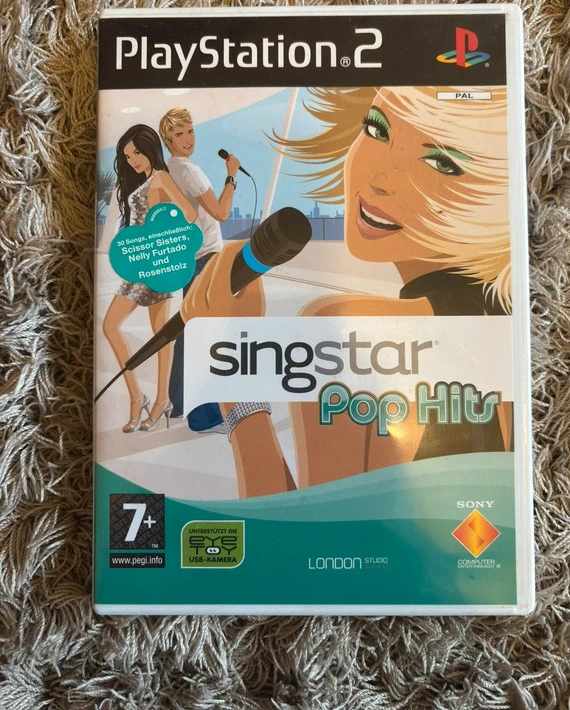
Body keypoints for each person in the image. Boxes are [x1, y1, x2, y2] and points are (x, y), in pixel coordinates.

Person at [180, 85, 513, 496]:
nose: (379, 179)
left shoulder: (347, 330)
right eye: (377, 129)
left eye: (441, 162)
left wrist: (231, 366)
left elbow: (305, 536)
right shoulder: (501, 323)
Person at [102, 124, 198, 433]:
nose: (132, 160)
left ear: (150, 149)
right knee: (128, 329)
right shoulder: (143, 181)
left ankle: (157, 399)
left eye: (137, 153)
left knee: (159, 333)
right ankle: (142, 397)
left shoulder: (161, 177)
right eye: (128, 156)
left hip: (155, 265)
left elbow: (190, 214)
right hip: (141, 265)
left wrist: (160, 234)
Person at [158, 108, 239, 429]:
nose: (188, 139)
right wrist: (231, 176)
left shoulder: (168, 170)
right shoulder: (190, 171)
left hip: (190, 259)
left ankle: (179, 403)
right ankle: (205, 414)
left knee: (189, 332)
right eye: (179, 134)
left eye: (190, 131)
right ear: (167, 140)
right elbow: (221, 212)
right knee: (205, 336)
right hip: (206, 259)